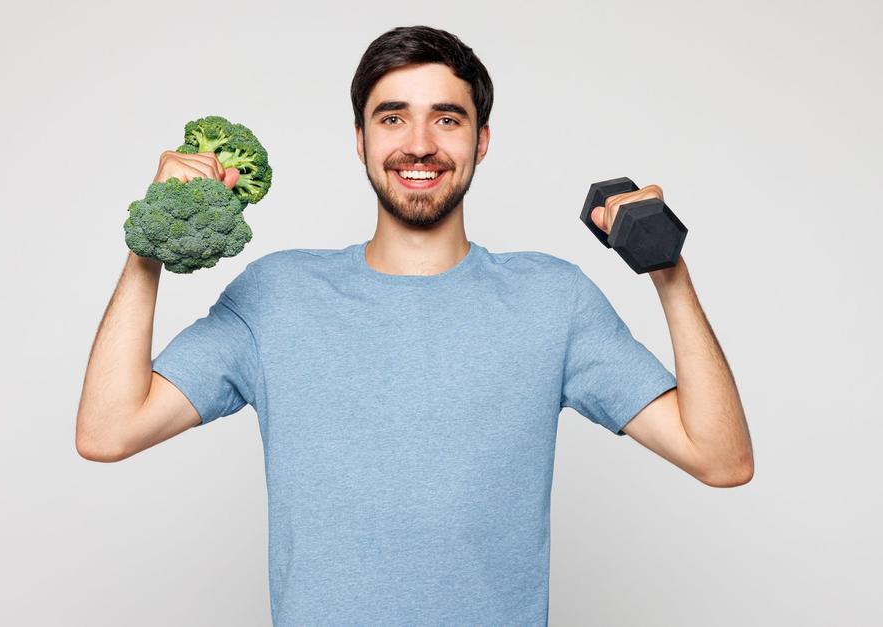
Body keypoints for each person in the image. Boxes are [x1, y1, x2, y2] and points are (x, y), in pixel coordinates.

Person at [75, 25, 753, 625]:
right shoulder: (277, 296)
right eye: (393, 118)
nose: (420, 145)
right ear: (361, 139)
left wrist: (669, 269)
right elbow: (108, 430)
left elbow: (720, 458)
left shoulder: (553, 300)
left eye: (448, 119)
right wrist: (150, 241)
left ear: (481, 141)